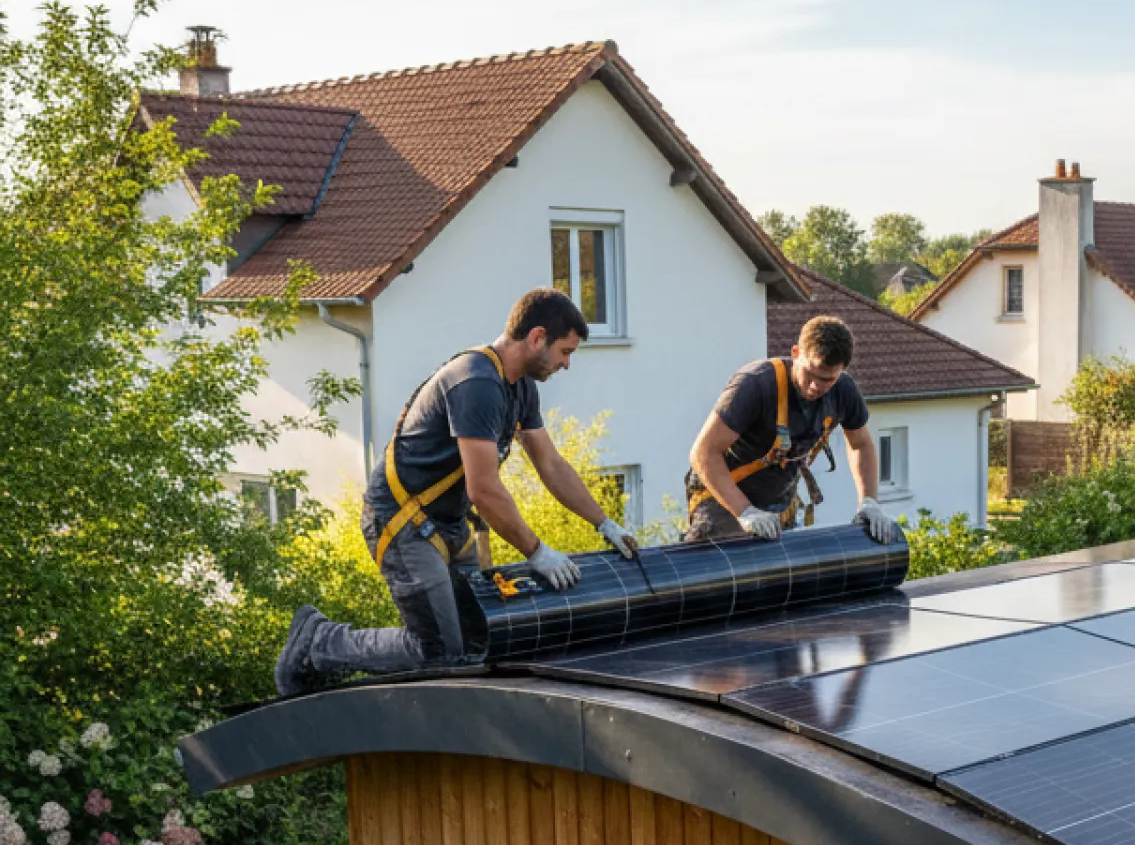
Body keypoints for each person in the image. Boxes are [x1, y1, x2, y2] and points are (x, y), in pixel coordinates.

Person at [275, 287, 638, 695]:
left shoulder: (519, 387)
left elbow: (550, 465)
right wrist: (537, 552)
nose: (566, 364)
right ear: (537, 337)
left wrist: (604, 523)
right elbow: (483, 490)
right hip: (403, 523)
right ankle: (318, 642)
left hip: (448, 526)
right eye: (565, 351)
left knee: (477, 643)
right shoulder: (476, 383)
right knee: (437, 652)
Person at [685, 314, 904, 546]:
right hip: (723, 498)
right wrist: (745, 511)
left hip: (778, 502)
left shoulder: (843, 391)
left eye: (828, 379)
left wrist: (869, 502)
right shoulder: (755, 384)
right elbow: (703, 453)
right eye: (811, 373)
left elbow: (860, 445)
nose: (816, 386)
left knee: (778, 575)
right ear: (796, 353)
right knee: (721, 572)